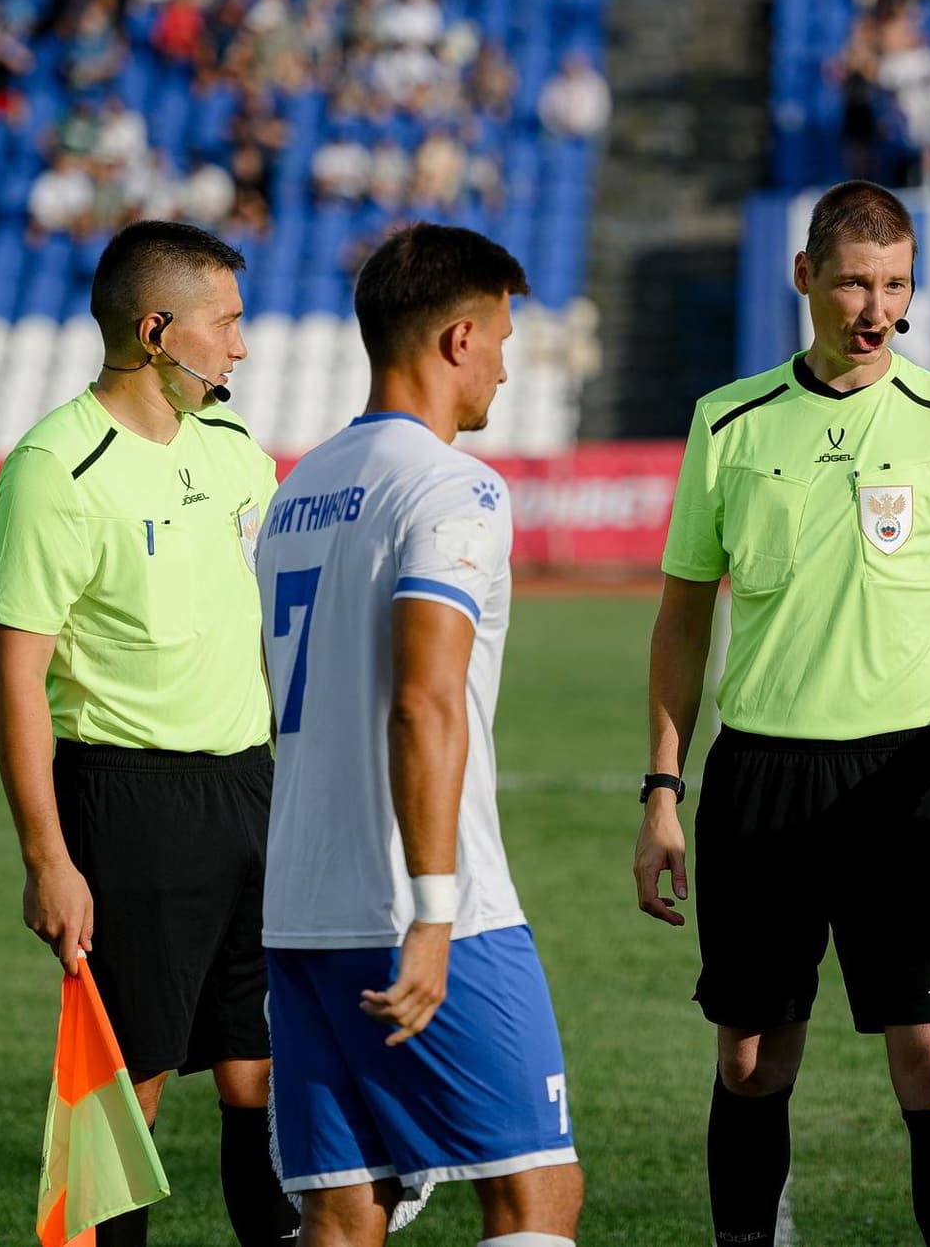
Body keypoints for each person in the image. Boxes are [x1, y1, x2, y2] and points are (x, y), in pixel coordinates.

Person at [634, 179, 930, 1247]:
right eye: (852, 283)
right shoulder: (728, 421)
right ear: (805, 277)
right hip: (760, 780)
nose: (875, 308)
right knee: (751, 1059)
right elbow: (682, 623)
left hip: (904, 784)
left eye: (895, 285)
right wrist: (661, 791)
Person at [256, 223, 583, 1247]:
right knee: (535, 1195)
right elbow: (424, 702)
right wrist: (434, 911)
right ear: (457, 339)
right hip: (423, 906)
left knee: (343, 1211)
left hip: (300, 908)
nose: (504, 369)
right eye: (501, 341)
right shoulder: (452, 486)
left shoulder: (297, 488)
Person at [0, 220, 297, 1246]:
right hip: (130, 804)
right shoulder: (55, 467)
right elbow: (16, 676)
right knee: (128, 1087)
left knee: (262, 1072)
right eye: (226, 323)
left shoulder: (236, 451)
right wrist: (48, 860)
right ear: (157, 331)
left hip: (252, 789)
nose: (241, 346)